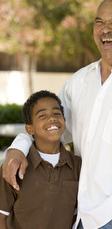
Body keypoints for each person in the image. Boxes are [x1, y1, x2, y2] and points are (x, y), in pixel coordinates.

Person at [2, 0, 112, 229]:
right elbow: (51, 128)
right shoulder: (80, 81)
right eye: (99, 22)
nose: (106, 30)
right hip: (83, 218)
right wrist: (18, 147)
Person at [0, 90, 81, 229]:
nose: (52, 118)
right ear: (29, 129)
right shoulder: (14, 167)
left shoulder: (77, 165)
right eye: (42, 115)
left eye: (57, 113)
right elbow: (1, 216)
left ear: (65, 121)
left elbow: (75, 215)